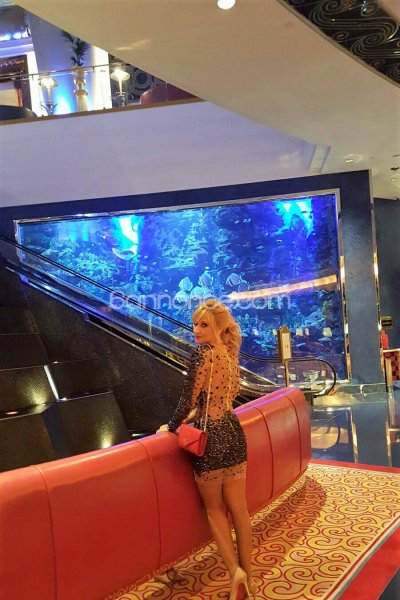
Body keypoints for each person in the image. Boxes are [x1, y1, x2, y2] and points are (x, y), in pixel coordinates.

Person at [158, 299, 256, 599]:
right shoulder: (229, 353)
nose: (196, 330)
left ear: (219, 327)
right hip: (234, 433)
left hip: (210, 438)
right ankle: (249, 578)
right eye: (195, 323)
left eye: (204, 324)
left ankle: (234, 572)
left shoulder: (202, 354)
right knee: (240, 510)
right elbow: (223, 397)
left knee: (214, 510)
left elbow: (188, 398)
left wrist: (170, 426)